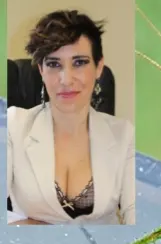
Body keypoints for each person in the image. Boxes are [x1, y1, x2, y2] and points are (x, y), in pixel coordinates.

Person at [6, 10, 135, 225]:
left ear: (98, 67)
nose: (66, 80)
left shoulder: (125, 135)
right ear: (41, 70)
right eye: (54, 64)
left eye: (79, 62)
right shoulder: (14, 124)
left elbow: (137, 215)